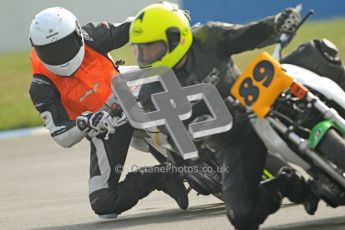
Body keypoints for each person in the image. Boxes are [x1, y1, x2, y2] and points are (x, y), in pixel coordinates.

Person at [129, 2, 319, 229]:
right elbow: (175, 135)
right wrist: (193, 132)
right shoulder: (151, 90)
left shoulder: (208, 38)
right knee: (242, 215)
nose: (145, 57)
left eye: (151, 48)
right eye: (140, 50)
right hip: (230, 138)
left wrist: (277, 24)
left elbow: (249, 34)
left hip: (257, 103)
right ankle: (284, 184)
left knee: (311, 67)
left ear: (175, 38)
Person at [28, 6, 188, 218]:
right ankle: (161, 176)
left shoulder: (92, 36)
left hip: (129, 92)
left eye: (64, 46)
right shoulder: (41, 84)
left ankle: (209, 131)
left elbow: (135, 26)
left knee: (169, 73)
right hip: (104, 126)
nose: (59, 57)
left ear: (77, 34)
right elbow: (61, 135)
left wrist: (171, 18)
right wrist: (86, 123)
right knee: (103, 203)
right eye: (49, 51)